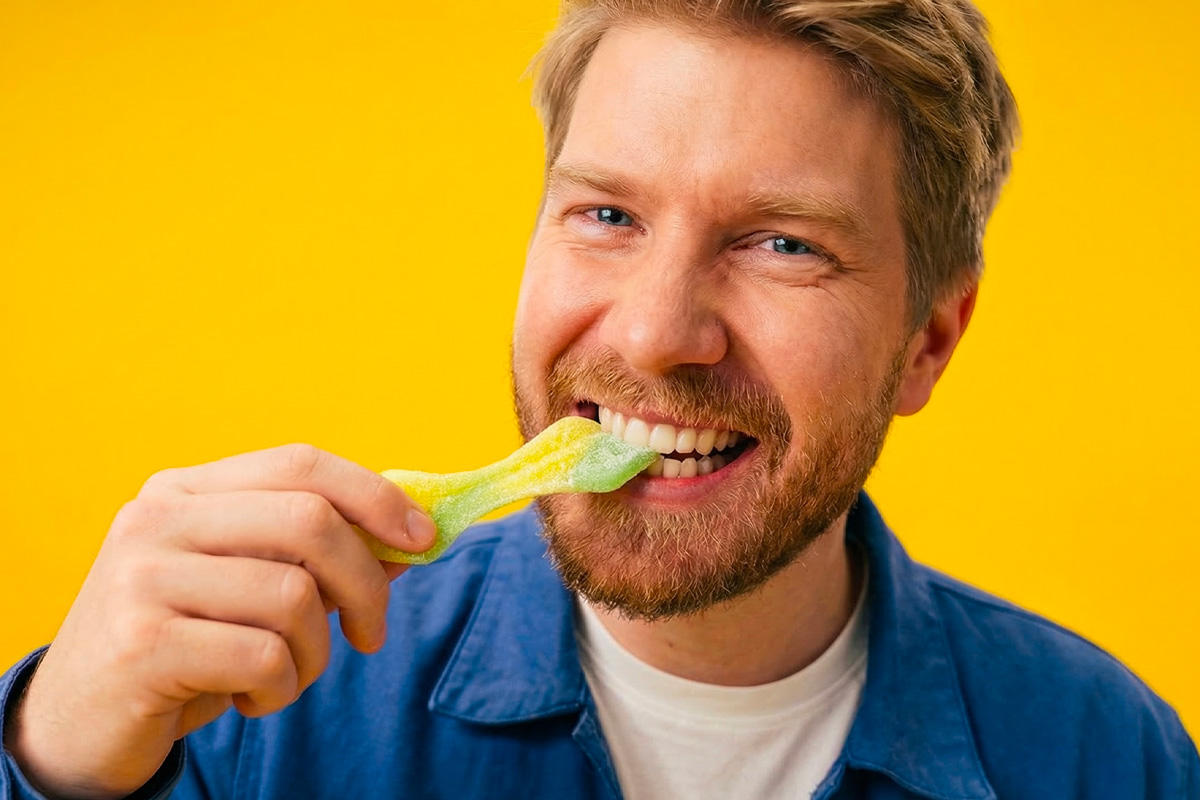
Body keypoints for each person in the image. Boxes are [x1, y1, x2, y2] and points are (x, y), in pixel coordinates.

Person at [2, 0, 1196, 797]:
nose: (654, 331)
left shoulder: (1107, 756)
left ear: (931, 339)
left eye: (782, 243)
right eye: (607, 215)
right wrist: (51, 760)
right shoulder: (247, 714)